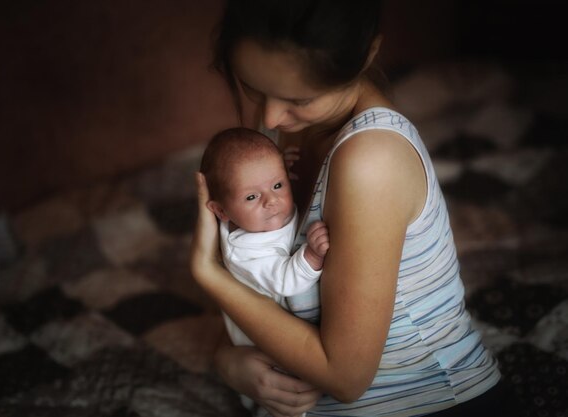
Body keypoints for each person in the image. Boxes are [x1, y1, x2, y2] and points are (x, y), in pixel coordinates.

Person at [190, 1, 519, 416]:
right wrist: (228, 359)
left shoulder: (371, 160)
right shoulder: (283, 126)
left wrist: (208, 272)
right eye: (253, 87)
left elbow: (345, 379)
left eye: (299, 98)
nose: (270, 116)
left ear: (366, 55)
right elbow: (263, 285)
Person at [199, 126, 329, 414]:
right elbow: (285, 280)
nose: (271, 201)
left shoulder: (257, 214)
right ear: (221, 211)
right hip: (268, 350)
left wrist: (281, 170)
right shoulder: (246, 251)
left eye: (278, 185)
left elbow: (261, 182)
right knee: (290, 400)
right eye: (251, 198)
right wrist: (311, 255)